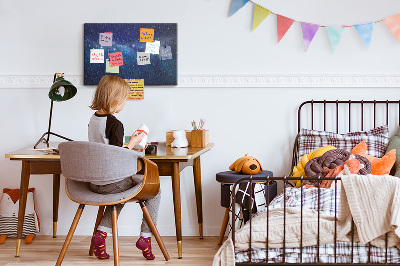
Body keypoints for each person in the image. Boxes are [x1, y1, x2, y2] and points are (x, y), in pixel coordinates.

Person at [88, 75, 161, 260]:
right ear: (115, 99)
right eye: (124, 99)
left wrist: (130, 145)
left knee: (119, 194)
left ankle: (101, 235)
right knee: (154, 189)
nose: (124, 103)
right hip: (111, 182)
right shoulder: (115, 124)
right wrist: (134, 143)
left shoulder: (93, 120)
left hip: (94, 182)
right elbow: (117, 156)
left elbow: (106, 149)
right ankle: (146, 237)